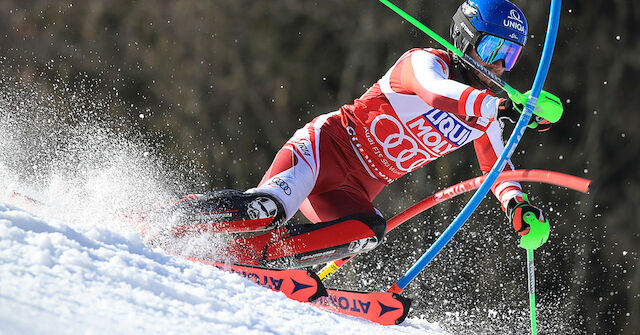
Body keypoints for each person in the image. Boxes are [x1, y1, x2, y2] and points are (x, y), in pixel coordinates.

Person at [173, 0, 551, 268]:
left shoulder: (482, 113)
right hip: (321, 153)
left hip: (351, 190)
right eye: (492, 49)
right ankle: (171, 219)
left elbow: (497, 167)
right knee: (267, 210)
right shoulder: (423, 63)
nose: (499, 66)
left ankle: (262, 258)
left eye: (511, 56)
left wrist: (516, 208)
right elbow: (436, 92)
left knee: (367, 231)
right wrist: (499, 107)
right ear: (466, 37)